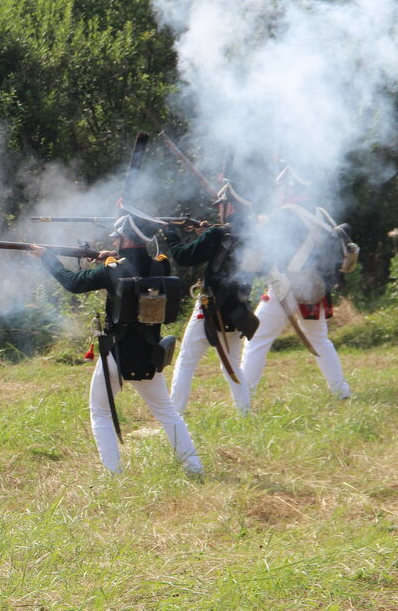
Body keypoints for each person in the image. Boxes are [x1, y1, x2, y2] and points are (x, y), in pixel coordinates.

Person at [32, 216, 203, 476]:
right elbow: (134, 267)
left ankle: (114, 475)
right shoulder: (161, 267)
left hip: (117, 354)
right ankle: (194, 468)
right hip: (149, 354)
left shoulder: (113, 269)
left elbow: (73, 283)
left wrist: (46, 258)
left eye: (117, 237)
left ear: (126, 239)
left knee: (99, 412)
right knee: (168, 414)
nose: (113, 239)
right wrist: (111, 258)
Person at [237, 166, 357, 405]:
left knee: (257, 340)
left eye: (281, 187)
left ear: (289, 188)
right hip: (314, 288)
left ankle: (243, 397)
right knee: (320, 339)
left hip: (287, 286)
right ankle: (340, 389)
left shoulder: (285, 214)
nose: (278, 192)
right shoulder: (319, 213)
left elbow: (264, 249)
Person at [164, 181, 258, 415]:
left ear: (231, 207)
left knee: (186, 362)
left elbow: (183, 257)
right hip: (238, 310)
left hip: (211, 307)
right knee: (233, 365)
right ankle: (245, 413)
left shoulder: (219, 233)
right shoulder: (255, 235)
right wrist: (207, 236)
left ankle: (174, 417)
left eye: (221, 206)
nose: (218, 210)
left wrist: (169, 234)